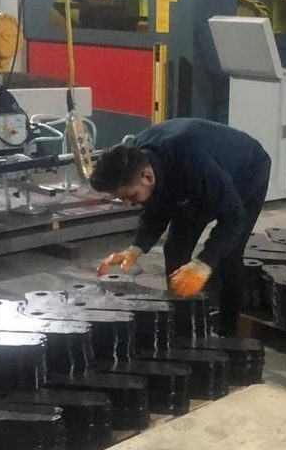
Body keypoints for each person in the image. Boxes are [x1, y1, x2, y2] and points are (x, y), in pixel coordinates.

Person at [91, 118, 271, 336]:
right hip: (195, 180)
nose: (129, 203)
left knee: (228, 255)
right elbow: (156, 207)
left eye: (130, 196)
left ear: (147, 176)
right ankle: (182, 324)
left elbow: (234, 217)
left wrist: (204, 262)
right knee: (175, 249)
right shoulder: (134, 159)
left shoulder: (192, 160)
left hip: (247, 171)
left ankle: (229, 328)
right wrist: (136, 248)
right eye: (122, 199)